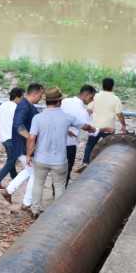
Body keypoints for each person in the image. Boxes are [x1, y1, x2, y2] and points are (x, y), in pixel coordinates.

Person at [27, 88, 95, 218]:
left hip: (40, 158)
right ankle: (56, 214)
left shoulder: (38, 117)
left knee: (38, 184)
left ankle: (35, 210)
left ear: (46, 101)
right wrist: (92, 129)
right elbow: (85, 126)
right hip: (59, 160)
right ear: (60, 101)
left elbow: (31, 138)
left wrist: (29, 155)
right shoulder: (67, 118)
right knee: (59, 186)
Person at [1, 83, 44, 211]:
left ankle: (9, 192)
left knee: (31, 171)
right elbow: (18, 125)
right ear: (35, 93)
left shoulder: (27, 105)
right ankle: (26, 202)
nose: (41, 98)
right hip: (23, 146)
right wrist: (30, 137)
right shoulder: (24, 106)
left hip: (24, 146)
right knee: (34, 173)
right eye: (41, 95)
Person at [82, 77, 127, 166]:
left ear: (102, 86)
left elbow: (89, 110)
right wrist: (123, 125)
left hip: (94, 127)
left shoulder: (96, 96)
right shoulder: (115, 99)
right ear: (112, 86)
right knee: (109, 146)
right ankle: (106, 163)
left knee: (90, 145)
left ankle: (85, 163)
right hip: (108, 128)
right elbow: (119, 114)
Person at [0, 87, 24, 191]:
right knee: (11, 160)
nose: (23, 99)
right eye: (22, 97)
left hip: (4, 138)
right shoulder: (17, 108)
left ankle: (14, 177)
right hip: (12, 138)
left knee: (11, 159)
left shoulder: (3, 105)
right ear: (17, 97)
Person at [61, 85, 96, 186]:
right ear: (86, 95)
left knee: (58, 168)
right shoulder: (81, 110)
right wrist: (102, 130)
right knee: (67, 169)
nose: (91, 100)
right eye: (91, 97)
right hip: (69, 144)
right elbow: (88, 128)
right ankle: (61, 193)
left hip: (56, 141)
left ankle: (56, 190)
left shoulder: (65, 101)